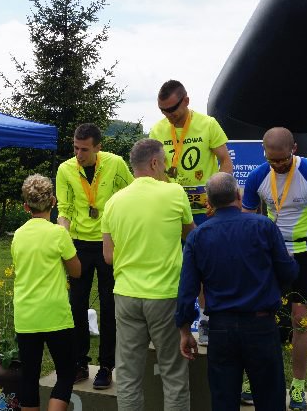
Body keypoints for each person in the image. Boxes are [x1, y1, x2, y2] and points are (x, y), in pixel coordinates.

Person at [242, 127, 307, 411]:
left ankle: (298, 387)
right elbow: (245, 222)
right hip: (272, 253)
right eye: (271, 160)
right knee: (261, 318)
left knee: (301, 321)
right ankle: (256, 379)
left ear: (294, 150)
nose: (277, 165)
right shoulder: (257, 176)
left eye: (283, 160)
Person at [176, 173, 298, 410]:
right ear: (239, 196)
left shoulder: (198, 236)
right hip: (261, 325)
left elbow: (187, 288)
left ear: (209, 203)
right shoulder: (264, 226)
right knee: (270, 400)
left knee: (223, 401)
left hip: (221, 329)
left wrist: (184, 329)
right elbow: (288, 272)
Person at [101, 138, 196, 411]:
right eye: (164, 163)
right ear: (155, 163)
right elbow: (192, 237)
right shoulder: (174, 192)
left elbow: (108, 256)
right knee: (173, 374)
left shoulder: (113, 202)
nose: (165, 168)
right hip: (165, 295)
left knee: (128, 375)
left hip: (126, 295)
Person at [149, 79, 233, 347]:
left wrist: (218, 197)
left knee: (206, 267)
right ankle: (172, 324)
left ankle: (206, 320)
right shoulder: (158, 129)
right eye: (163, 110)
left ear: (186, 100)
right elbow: (152, 167)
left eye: (172, 109)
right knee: (170, 267)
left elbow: (225, 160)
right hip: (170, 211)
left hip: (202, 211)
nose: (168, 115)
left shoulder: (208, 124)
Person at [55, 123, 134, 389]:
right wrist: (62, 238)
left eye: (85, 150)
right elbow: (64, 209)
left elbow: (131, 194)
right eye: (75, 148)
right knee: (76, 304)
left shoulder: (116, 164)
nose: (79, 154)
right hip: (79, 244)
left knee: (109, 306)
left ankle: (106, 366)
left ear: (98, 147)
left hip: (109, 243)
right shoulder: (65, 169)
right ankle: (79, 362)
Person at [12, 174, 82, 411]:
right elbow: (76, 271)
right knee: (66, 372)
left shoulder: (18, 235)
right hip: (55, 314)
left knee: (29, 376)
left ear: (26, 206)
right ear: (53, 202)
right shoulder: (59, 234)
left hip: (26, 315)